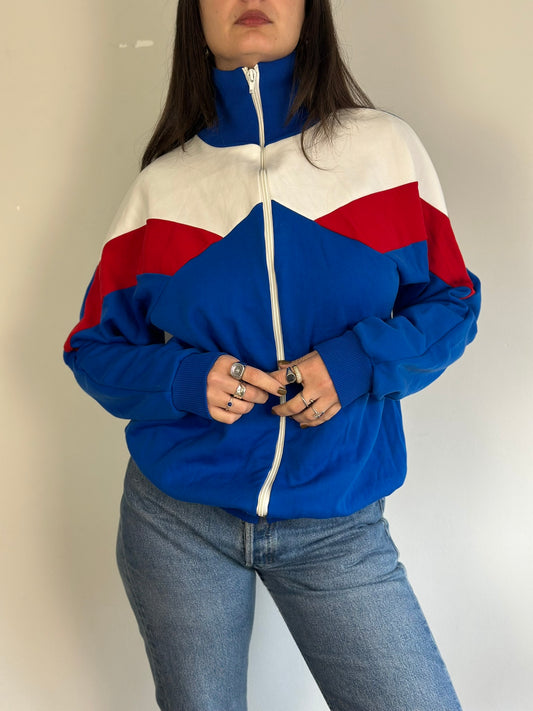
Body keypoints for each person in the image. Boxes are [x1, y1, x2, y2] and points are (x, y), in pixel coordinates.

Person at [63, 1, 481, 709]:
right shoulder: (163, 186)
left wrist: (356, 363)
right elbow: (93, 347)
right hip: (177, 521)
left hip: (337, 523)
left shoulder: (384, 153)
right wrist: (183, 378)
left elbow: (452, 302)